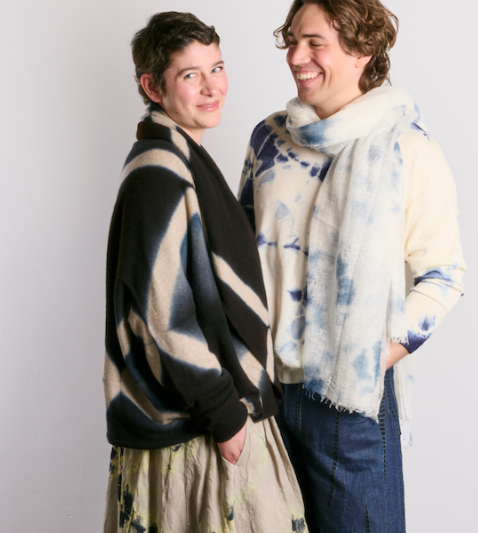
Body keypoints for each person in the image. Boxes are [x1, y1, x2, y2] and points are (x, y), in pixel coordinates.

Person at [239, 1, 466, 532]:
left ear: (362, 50)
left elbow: (443, 275)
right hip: (265, 391)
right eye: (292, 40)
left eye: (314, 43)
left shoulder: (408, 149)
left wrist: (370, 359)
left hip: (349, 401)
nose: (296, 56)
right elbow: (238, 256)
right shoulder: (268, 139)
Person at [103, 12, 307, 533]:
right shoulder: (158, 173)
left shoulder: (184, 157)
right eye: (190, 75)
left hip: (214, 416)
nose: (212, 87)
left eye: (216, 67)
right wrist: (226, 415)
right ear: (153, 87)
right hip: (198, 426)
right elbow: (162, 314)